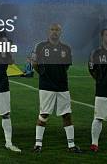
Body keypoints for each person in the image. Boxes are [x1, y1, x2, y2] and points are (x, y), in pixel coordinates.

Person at [32, 23, 82, 153]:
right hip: (46, 86)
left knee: (66, 115)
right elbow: (34, 63)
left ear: (61, 32)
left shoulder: (66, 48)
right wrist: (43, 75)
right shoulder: (40, 46)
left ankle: (71, 145)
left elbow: (66, 66)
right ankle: (38, 144)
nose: (55, 32)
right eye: (52, 29)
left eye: (57, 30)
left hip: (62, 87)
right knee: (44, 114)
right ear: (48, 32)